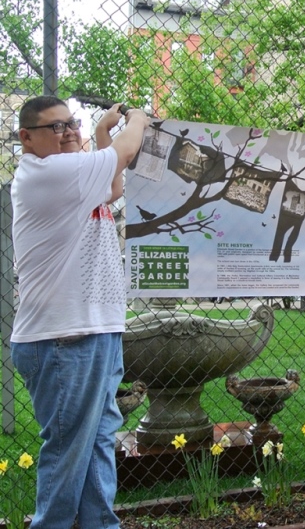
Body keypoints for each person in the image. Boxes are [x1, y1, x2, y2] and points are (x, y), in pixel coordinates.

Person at [10, 95, 149, 528]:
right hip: (64, 340)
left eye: (72, 123)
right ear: (26, 138)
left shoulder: (68, 173)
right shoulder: (45, 173)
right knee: (69, 452)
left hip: (93, 332)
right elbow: (125, 154)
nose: (69, 131)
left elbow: (113, 186)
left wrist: (104, 132)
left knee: (97, 443)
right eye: (56, 127)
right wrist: (139, 117)